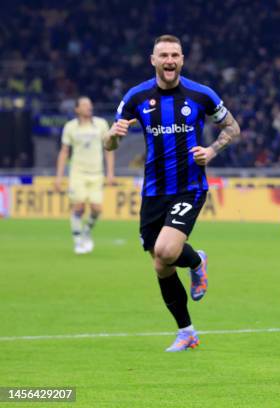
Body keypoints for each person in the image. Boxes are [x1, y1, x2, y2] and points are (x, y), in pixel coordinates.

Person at [104, 34, 240, 351]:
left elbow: (232, 128)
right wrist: (112, 135)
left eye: (174, 55)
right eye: (163, 54)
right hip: (153, 192)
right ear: (153, 60)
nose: (169, 60)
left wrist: (213, 150)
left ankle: (194, 263)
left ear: (182, 59)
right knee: (161, 264)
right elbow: (110, 143)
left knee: (166, 251)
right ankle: (187, 331)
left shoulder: (200, 94)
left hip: (190, 187)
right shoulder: (136, 97)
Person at [55, 96, 115, 254]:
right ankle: (78, 241)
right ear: (77, 109)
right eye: (85, 105)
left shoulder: (101, 124)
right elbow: (64, 152)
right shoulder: (70, 127)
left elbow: (108, 149)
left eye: (90, 104)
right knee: (79, 206)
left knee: (96, 208)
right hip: (77, 172)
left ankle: (86, 231)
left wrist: (110, 173)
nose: (89, 107)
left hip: (97, 173)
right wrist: (59, 177)